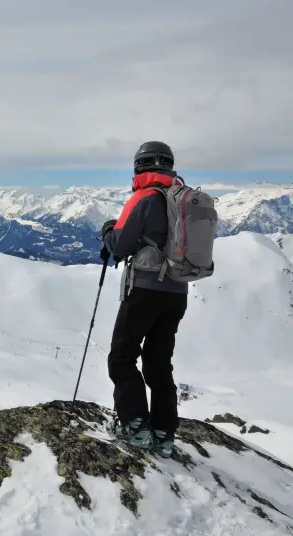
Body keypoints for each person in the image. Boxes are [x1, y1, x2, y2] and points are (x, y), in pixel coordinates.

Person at [100, 141, 188, 458]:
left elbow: (121, 244)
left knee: (122, 357)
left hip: (146, 290)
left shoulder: (145, 197)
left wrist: (108, 230)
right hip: (177, 292)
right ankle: (164, 434)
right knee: (159, 365)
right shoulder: (183, 200)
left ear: (141, 166)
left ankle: (135, 426)